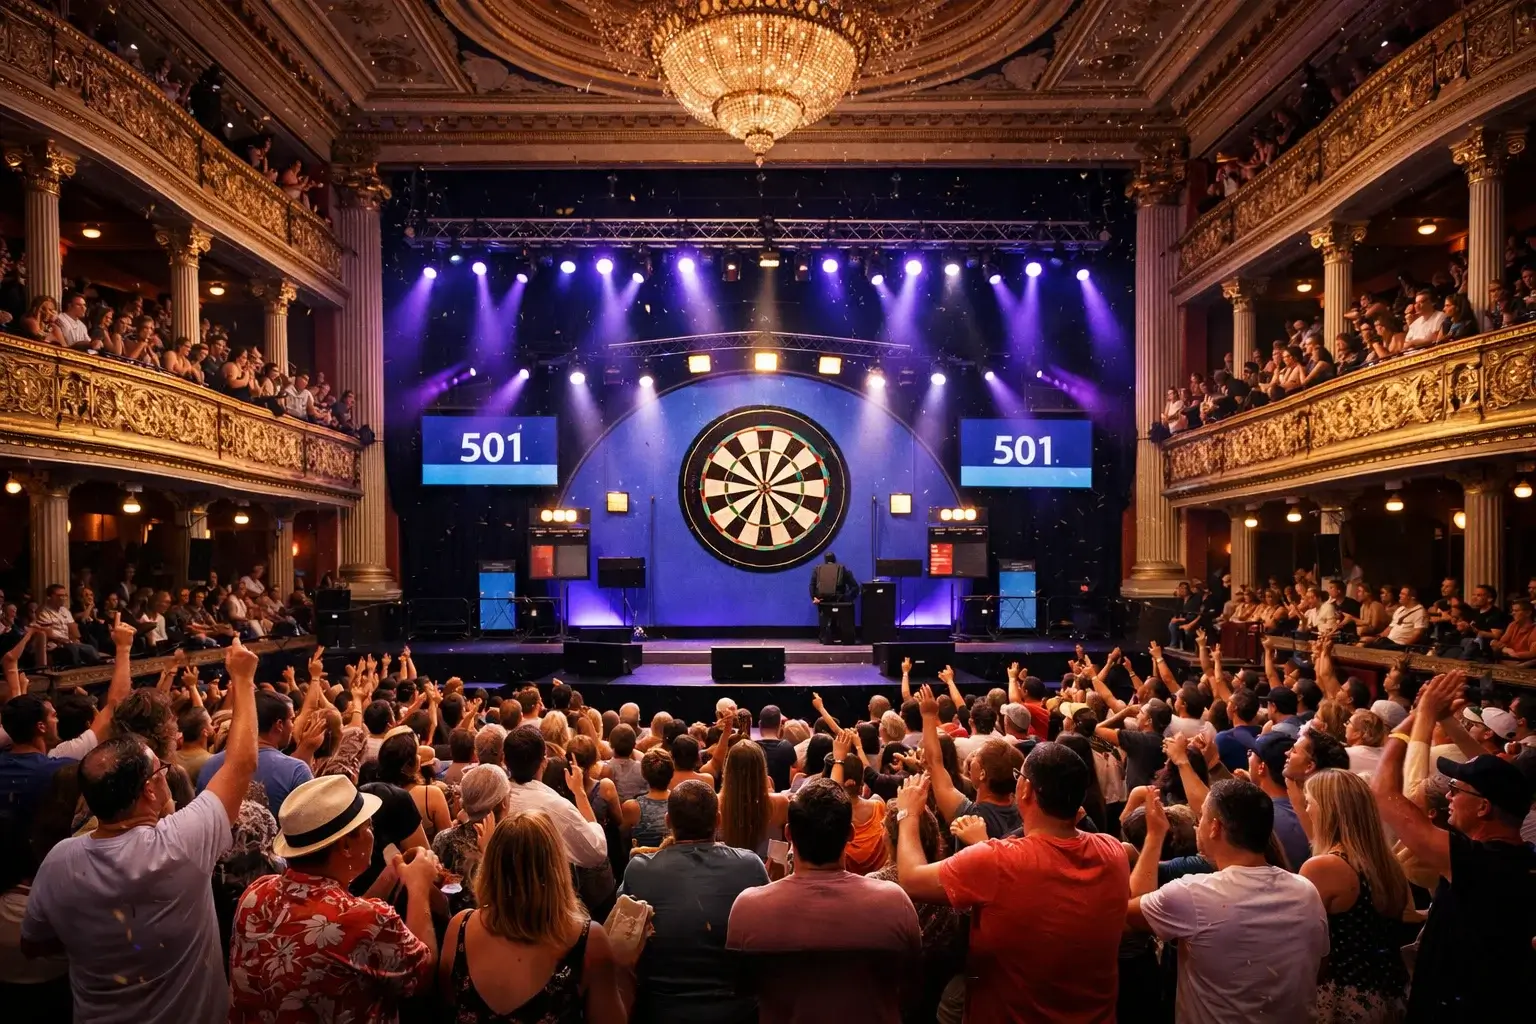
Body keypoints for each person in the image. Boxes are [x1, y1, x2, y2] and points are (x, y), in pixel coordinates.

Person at [20, 638, 261, 1023]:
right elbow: (242, 764)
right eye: (162, 771)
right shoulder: (179, 843)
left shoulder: (60, 859)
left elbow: (32, 943)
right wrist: (243, 679)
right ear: (150, 789)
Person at [895, 742, 1129, 1023]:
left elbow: (910, 878)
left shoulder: (996, 861)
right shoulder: (1113, 852)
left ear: (1026, 789)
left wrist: (907, 814)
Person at [1371, 670, 1536, 1020]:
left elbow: (1384, 793)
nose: (1447, 795)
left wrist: (1417, 719)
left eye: (1456, 791)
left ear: (1482, 807)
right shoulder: (1516, 854)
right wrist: (1446, 718)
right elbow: (1498, 778)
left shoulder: (1475, 861)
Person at [227, 775, 440, 1022]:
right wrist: (419, 888)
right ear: (346, 847)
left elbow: (344, 925)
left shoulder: (255, 893)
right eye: (367, 827)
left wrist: (389, 876)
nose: (372, 833)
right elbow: (422, 974)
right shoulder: (368, 919)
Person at [1127, 780, 1330, 1024]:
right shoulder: (1306, 890)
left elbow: (1131, 914)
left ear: (1215, 827)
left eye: (1201, 816)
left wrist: (1154, 836)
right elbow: (1318, 970)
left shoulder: (1193, 894)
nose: (1196, 824)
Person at [726, 779, 920, 1023]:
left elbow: (743, 990)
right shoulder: (895, 903)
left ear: (789, 834)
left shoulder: (748, 909)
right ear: (850, 832)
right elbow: (911, 986)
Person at [438, 810, 637, 1024]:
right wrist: (625, 968)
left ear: (490, 867)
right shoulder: (589, 940)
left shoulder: (459, 927)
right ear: (557, 869)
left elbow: (449, 1002)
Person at [620, 780, 768, 1023]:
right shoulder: (750, 865)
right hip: (737, 1012)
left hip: (660, 1011)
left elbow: (622, 941)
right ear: (718, 820)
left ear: (668, 821)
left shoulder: (638, 870)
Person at [1300, 769, 1411, 1022]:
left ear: (1328, 810)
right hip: (1391, 993)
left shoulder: (1323, 867)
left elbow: (1308, 949)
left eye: (1309, 803)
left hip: (1342, 998)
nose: (1307, 811)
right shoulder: (1387, 864)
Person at [196, 689, 318, 815]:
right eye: (291, 720)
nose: (293, 726)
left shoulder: (208, 766)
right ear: (279, 725)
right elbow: (311, 823)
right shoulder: (296, 771)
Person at [502, 726, 608, 869]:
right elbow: (596, 852)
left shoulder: (492, 797)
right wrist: (579, 793)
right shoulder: (558, 807)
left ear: (504, 760)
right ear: (544, 761)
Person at [621, 748, 675, 852]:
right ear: (672, 773)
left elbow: (623, 840)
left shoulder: (632, 807)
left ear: (643, 774)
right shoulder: (681, 802)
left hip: (642, 864)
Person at [809, 551, 859, 644]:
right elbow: (855, 587)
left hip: (823, 602)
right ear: (834, 559)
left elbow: (812, 585)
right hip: (840, 602)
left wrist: (814, 598)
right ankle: (843, 636)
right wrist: (846, 598)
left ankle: (824, 636)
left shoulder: (818, 569)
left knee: (825, 618)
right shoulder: (842, 569)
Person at [752, 705, 797, 791]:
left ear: (760, 724)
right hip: (782, 799)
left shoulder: (752, 748)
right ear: (780, 725)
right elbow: (796, 773)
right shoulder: (787, 747)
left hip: (757, 798)